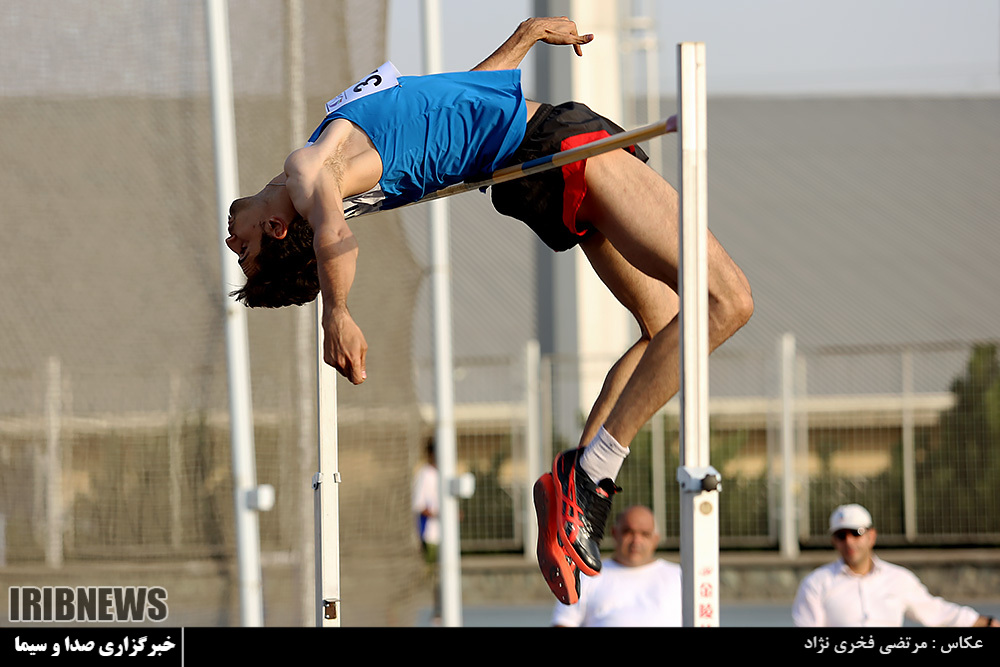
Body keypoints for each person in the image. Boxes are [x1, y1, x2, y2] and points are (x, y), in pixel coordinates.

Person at [224, 17, 753, 604]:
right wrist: (337, 313)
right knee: (725, 301)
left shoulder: (340, 153)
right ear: (276, 228)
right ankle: (592, 476)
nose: (230, 242)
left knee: (664, 328)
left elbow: (457, 103)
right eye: (245, 252)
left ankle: (578, 482)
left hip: (533, 158)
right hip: (557, 145)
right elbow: (331, 234)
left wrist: (524, 38)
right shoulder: (311, 171)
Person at [792, 504, 999, 628]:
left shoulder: (898, 579)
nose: (849, 542)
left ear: (871, 536)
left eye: (856, 533)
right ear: (833, 541)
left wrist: (986, 623)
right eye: (841, 535)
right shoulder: (816, 584)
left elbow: (936, 612)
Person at [551, 505, 681, 627]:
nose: (636, 540)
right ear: (614, 533)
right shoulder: (587, 576)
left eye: (645, 534)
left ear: (656, 539)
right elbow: (564, 621)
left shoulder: (679, 577)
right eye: (628, 532)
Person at [411, 439, 441, 624]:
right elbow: (419, 505)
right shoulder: (424, 475)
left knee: (443, 573)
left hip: (445, 535)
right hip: (430, 535)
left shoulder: (443, 472)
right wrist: (438, 513)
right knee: (433, 575)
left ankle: (441, 609)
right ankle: (437, 610)